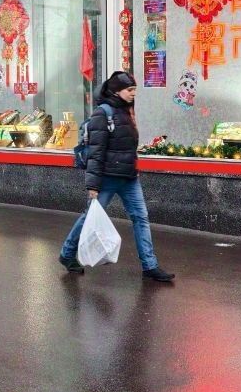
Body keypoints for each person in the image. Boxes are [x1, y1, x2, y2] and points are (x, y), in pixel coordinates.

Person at [60, 71, 174, 283]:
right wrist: (92, 186)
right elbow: (96, 152)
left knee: (141, 217)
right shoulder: (102, 114)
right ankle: (67, 254)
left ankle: (150, 265)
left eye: (134, 90)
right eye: (129, 90)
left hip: (129, 177)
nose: (133, 93)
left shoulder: (127, 110)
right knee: (89, 217)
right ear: (116, 91)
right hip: (107, 178)